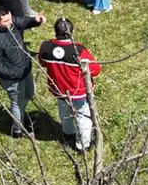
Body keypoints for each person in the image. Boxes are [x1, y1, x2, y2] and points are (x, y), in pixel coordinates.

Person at [38, 17, 101, 151]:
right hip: (79, 92)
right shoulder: (79, 51)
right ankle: (82, 145)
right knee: (83, 118)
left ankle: (67, 133)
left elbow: (42, 62)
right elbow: (95, 70)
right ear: (71, 32)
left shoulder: (46, 47)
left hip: (59, 89)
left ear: (55, 31)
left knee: (64, 113)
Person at [0, 7, 45, 138]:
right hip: (14, 78)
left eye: (10, 18)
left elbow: (20, 21)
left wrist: (35, 21)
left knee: (28, 94)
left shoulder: (8, 23)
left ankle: (21, 116)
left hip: (24, 69)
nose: (11, 22)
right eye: (6, 21)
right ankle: (17, 130)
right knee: (17, 103)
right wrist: (16, 73)